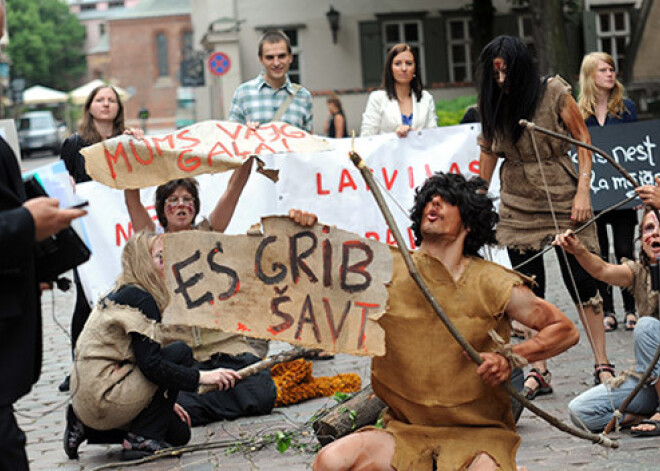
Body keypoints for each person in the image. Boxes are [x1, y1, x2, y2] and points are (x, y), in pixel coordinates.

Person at [309, 172, 579, 471]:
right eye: (429, 199)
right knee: (330, 461)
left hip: (479, 433)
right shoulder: (390, 272)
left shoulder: (491, 281)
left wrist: (511, 358)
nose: (434, 203)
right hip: (407, 430)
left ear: (468, 222)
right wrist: (302, 232)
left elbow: (564, 330)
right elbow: (321, 277)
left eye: (447, 200)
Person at [477, 35, 613, 397]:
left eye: (506, 71)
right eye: (495, 73)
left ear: (520, 66)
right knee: (529, 288)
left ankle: (602, 363)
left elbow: (584, 143)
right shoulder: (492, 100)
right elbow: (488, 154)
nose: (501, 79)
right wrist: (476, 197)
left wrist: (583, 191)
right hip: (518, 201)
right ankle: (539, 370)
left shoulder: (552, 91)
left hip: (564, 192)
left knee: (585, 281)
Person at [63, 232, 242, 460]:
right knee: (180, 352)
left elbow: (140, 357)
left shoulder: (123, 291)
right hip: (104, 395)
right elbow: (152, 365)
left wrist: (162, 404)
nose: (169, 264)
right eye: (160, 258)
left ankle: (86, 427)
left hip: (89, 400)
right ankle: (140, 441)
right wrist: (201, 377)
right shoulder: (142, 299)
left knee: (179, 433)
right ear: (143, 264)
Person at [123, 169, 277, 427]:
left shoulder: (208, 234)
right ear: (162, 209)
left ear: (195, 207)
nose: (181, 204)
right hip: (186, 356)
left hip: (225, 349)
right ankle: (203, 400)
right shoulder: (153, 245)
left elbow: (233, 190)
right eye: (173, 200)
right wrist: (128, 159)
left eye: (187, 199)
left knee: (262, 394)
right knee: (177, 396)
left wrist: (246, 159)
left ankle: (195, 405)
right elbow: (132, 201)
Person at [58, 84, 142, 392]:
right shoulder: (74, 144)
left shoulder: (126, 142)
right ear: (90, 107)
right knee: (86, 298)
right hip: (90, 232)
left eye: (111, 101)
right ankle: (78, 367)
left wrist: (139, 145)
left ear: (118, 108)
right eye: (100, 100)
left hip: (119, 230)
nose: (105, 105)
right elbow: (65, 186)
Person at [556, 208, 660, 435]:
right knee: (580, 411)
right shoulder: (639, 271)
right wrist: (578, 250)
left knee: (647, 327)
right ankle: (642, 415)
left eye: (659, 228)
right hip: (652, 379)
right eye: (648, 229)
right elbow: (602, 270)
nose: (654, 234)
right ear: (641, 239)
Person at [578, 51, 639, 333]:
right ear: (590, 76)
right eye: (603, 70)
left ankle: (631, 308)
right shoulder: (580, 113)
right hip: (596, 194)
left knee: (626, 250)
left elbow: (636, 151)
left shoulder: (626, 108)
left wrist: (640, 189)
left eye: (612, 69)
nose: (610, 74)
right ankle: (609, 310)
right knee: (599, 252)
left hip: (622, 193)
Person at [229, 30, 313, 132]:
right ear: (261, 59)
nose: (276, 63)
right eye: (270, 57)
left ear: (290, 57)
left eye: (282, 56)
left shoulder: (303, 96)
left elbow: (309, 141)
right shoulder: (243, 93)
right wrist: (246, 131)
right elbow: (232, 138)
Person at [360, 43, 437, 138]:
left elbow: (433, 138)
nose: (404, 68)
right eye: (398, 64)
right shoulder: (377, 99)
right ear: (390, 68)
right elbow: (367, 138)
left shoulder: (426, 98)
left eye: (409, 63)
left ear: (415, 69)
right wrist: (395, 136)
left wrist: (414, 134)